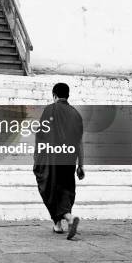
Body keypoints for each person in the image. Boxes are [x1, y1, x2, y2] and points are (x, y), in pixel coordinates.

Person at [33, 82, 85, 240]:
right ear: (67, 95)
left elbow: (40, 135)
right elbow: (79, 142)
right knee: (65, 188)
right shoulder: (76, 114)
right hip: (69, 159)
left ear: (54, 95)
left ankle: (68, 218)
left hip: (50, 158)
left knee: (49, 189)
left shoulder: (50, 109)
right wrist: (81, 165)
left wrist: (37, 157)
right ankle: (58, 224)